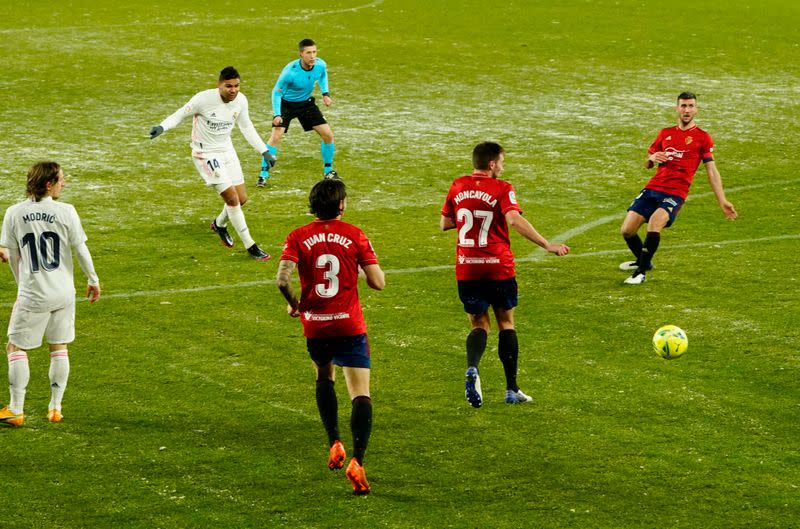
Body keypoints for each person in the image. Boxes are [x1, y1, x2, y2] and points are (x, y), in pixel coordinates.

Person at [440, 142, 569, 408]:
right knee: (506, 323)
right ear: (491, 164)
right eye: (501, 161)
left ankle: (473, 368)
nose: (502, 166)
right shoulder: (502, 188)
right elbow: (514, 220)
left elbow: (445, 223)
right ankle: (511, 389)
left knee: (478, 324)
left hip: (467, 266)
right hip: (498, 266)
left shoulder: (457, 185)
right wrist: (547, 244)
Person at [277, 178, 384, 495]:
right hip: (349, 325)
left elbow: (282, 279)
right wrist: (361, 268)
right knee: (360, 393)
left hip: (316, 325)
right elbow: (378, 283)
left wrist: (295, 305)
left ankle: (334, 441)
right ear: (341, 205)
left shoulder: (297, 236)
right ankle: (358, 460)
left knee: (324, 376)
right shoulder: (354, 235)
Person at [0, 162, 101, 427]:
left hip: (34, 294)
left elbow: (10, 255)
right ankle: (55, 408)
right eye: (61, 180)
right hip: (64, 293)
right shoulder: (67, 211)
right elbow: (80, 249)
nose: (63, 184)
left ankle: (15, 409)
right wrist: (93, 279)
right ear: (49, 184)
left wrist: (21, 283)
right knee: (59, 346)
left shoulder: (14, 213)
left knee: (15, 346)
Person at [149, 66, 276, 260]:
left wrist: (264, 150)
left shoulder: (240, 101)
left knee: (241, 199)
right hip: (205, 154)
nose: (233, 90)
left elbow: (246, 126)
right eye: (229, 86)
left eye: (236, 86)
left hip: (227, 150)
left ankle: (219, 224)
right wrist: (162, 127)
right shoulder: (203, 99)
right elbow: (180, 114)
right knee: (232, 199)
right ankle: (251, 246)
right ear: (219, 85)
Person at [619, 91, 738, 284]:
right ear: (677, 109)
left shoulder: (702, 138)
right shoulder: (665, 133)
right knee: (627, 231)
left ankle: (640, 273)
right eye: (683, 106)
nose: (687, 110)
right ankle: (644, 261)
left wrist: (722, 200)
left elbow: (712, 171)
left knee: (655, 223)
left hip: (675, 193)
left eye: (691, 106)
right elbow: (648, 163)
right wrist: (650, 158)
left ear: (696, 110)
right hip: (653, 188)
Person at [258, 38, 336, 186]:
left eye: (314, 52)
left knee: (328, 134)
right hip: (286, 104)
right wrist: (277, 114)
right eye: (308, 53)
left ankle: (328, 171)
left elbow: (323, 75)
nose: (312, 56)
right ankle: (263, 174)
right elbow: (276, 92)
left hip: (306, 104)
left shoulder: (320, 64)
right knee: (275, 137)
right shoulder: (290, 72)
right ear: (301, 54)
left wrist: (325, 93)